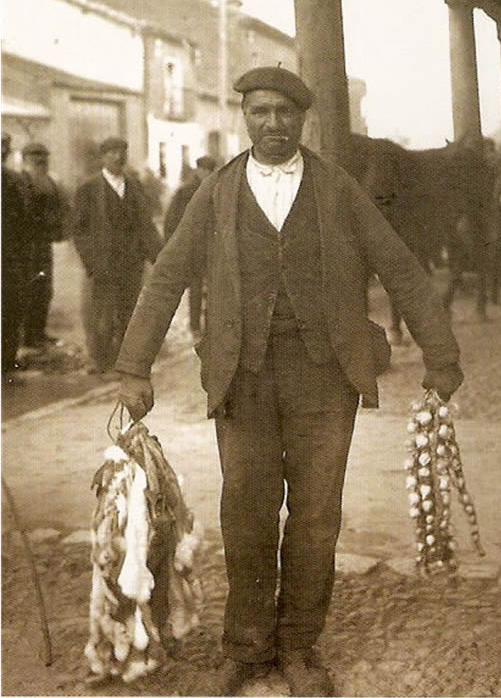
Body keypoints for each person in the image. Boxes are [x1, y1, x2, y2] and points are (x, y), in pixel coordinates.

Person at [116, 67, 463, 696]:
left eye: (284, 112)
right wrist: (133, 368)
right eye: (260, 111)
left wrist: (441, 358)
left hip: (325, 379)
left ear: (303, 120)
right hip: (241, 380)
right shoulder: (216, 194)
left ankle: (300, 645)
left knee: (315, 517)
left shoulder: (337, 190)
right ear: (244, 116)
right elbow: (167, 276)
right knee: (245, 512)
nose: (272, 123)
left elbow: (401, 269)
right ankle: (248, 648)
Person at [72, 137, 163, 376]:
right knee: (101, 314)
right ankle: (101, 360)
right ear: (103, 157)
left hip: (131, 262)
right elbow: (79, 230)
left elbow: (146, 224)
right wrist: (90, 262)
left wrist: (158, 257)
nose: (118, 157)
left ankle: (124, 361)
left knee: (129, 311)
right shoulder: (89, 188)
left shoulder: (134, 185)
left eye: (122, 152)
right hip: (103, 263)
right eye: (112, 152)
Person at [20, 142, 71, 348]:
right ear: (25, 159)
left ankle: (38, 332)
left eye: (43, 157)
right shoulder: (20, 181)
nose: (41, 161)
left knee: (44, 288)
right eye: (35, 157)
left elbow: (62, 207)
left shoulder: (51, 181)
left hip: (43, 244)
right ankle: (27, 336)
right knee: (28, 288)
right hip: (23, 246)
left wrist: (61, 230)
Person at [164, 155, 217, 339]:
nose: (207, 174)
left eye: (210, 171)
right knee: (195, 287)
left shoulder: (219, 190)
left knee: (214, 286)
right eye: (204, 170)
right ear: (198, 170)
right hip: (193, 248)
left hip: (213, 248)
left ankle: (211, 324)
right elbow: (172, 221)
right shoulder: (185, 192)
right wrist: (174, 246)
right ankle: (195, 326)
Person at [1, 134, 29, 383]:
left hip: (9, 256)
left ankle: (7, 362)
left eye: (4, 147)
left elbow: (23, 220)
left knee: (10, 308)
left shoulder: (12, 180)